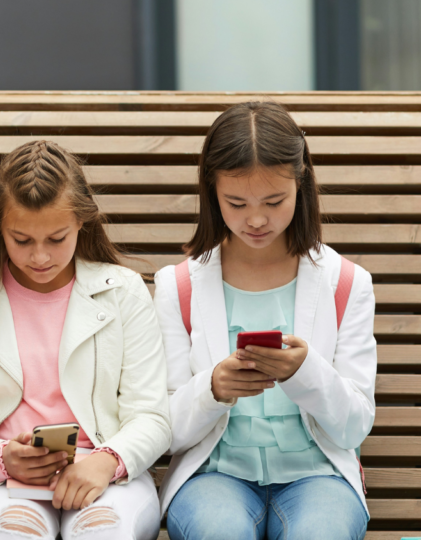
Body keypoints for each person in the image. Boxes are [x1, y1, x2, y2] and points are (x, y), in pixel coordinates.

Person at [0, 140, 170, 540]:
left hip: (106, 477)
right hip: (6, 482)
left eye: (57, 238)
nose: (40, 257)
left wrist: (107, 461)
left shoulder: (124, 292)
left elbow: (151, 415)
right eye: (22, 240)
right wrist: (0, 458)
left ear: (82, 222)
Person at [156, 101, 376, 540]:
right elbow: (165, 431)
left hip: (319, 476)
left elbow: (354, 425)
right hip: (213, 476)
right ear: (211, 193)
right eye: (236, 203)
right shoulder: (178, 285)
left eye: (275, 201)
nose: (256, 219)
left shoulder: (346, 283)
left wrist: (304, 371)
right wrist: (214, 388)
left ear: (302, 185)